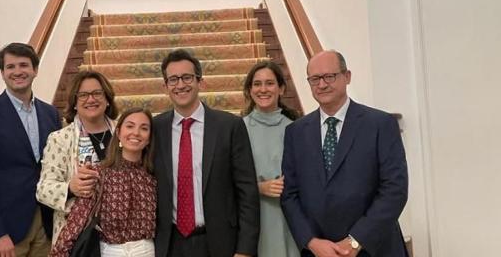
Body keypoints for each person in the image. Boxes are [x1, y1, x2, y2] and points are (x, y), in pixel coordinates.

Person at [281, 50, 409, 257]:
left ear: (347, 76)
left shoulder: (380, 124)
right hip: (319, 252)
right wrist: (311, 242)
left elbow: (394, 190)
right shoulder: (295, 132)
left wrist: (355, 241)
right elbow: (289, 195)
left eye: (329, 76)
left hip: (373, 247)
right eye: (315, 79)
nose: (322, 84)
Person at [153, 49, 260, 257]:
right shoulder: (155, 128)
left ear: (200, 82)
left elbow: (247, 191)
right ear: (165, 86)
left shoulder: (229, 126)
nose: (181, 85)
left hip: (220, 243)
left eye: (187, 77)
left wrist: (245, 249)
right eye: (173, 79)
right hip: (170, 244)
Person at [0, 42, 61, 256]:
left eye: (23, 65)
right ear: (2, 73)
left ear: (35, 70)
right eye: (10, 67)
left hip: (44, 226)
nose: (17, 72)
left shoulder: (51, 114)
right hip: (5, 230)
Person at [49, 107, 157, 257]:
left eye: (144, 128)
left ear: (149, 138)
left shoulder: (153, 177)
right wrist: (59, 253)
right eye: (130, 126)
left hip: (146, 251)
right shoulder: (99, 173)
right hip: (109, 251)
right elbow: (77, 220)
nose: (136, 133)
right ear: (118, 133)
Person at [37, 70, 119, 242]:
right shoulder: (59, 139)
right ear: (74, 102)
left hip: (120, 232)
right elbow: (43, 190)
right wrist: (70, 188)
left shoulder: (124, 132)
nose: (91, 99)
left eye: (97, 93)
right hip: (78, 236)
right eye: (83, 95)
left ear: (107, 99)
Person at [241, 61, 301, 257]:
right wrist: (259, 188)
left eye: (270, 83)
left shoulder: (297, 129)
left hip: (291, 216)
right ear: (250, 90)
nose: (263, 89)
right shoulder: (238, 129)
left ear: (281, 88)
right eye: (257, 84)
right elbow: (224, 181)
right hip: (254, 217)